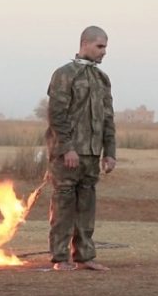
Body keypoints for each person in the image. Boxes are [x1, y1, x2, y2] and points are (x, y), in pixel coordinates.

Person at [45, 25, 116, 271]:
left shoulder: (101, 79)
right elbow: (57, 115)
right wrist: (67, 148)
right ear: (85, 44)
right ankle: (60, 258)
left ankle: (84, 256)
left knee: (87, 206)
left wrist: (110, 153)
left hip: (92, 154)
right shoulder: (64, 74)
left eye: (105, 47)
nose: (104, 52)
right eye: (100, 46)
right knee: (64, 205)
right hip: (67, 156)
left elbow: (108, 118)